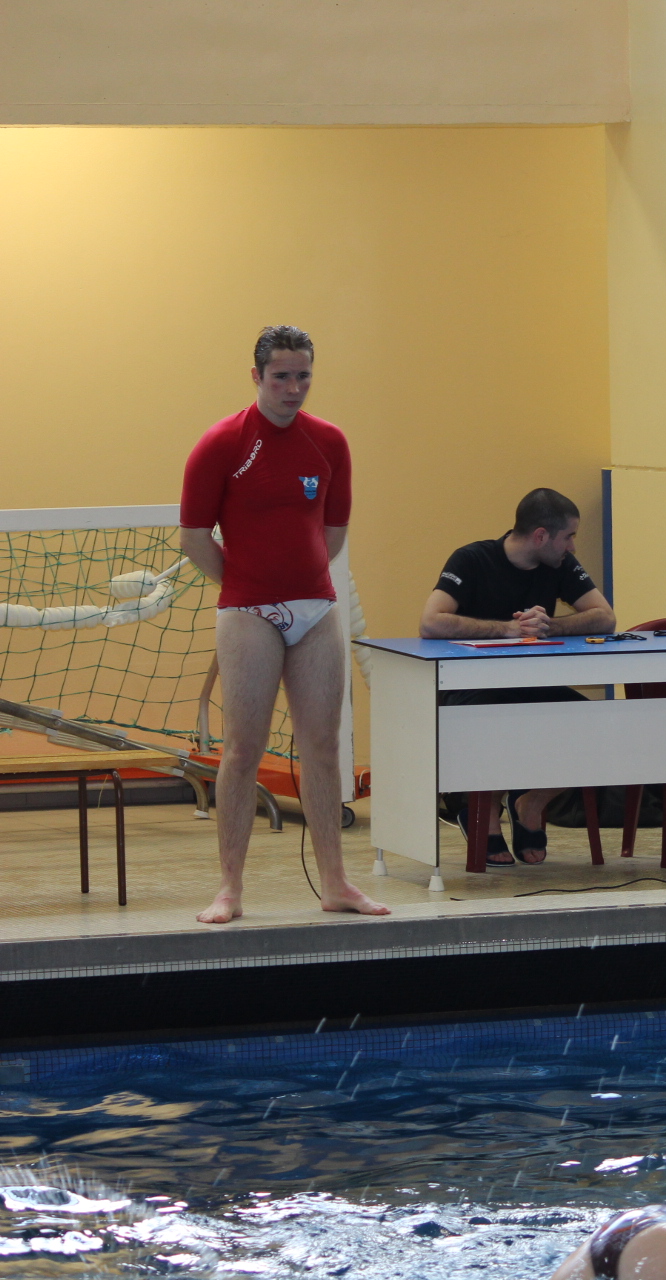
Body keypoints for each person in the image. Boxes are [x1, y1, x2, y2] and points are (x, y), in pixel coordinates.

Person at [179, 325, 389, 924]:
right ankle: (230, 887)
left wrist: (300, 583)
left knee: (323, 746)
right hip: (247, 612)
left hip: (315, 608)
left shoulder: (329, 442)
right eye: (281, 377)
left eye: (303, 377)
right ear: (256, 376)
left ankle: (336, 882)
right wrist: (247, 585)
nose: (293, 388)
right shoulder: (221, 443)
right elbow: (194, 538)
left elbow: (333, 533)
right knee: (243, 748)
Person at [421, 487, 614, 864]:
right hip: (470, 689)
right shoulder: (471, 559)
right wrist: (507, 630)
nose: (572, 546)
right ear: (541, 536)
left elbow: (605, 617)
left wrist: (551, 626)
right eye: (568, 536)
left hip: (532, 686)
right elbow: (430, 622)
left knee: (600, 724)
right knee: (494, 726)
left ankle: (532, 802)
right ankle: (484, 809)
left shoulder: (560, 564)